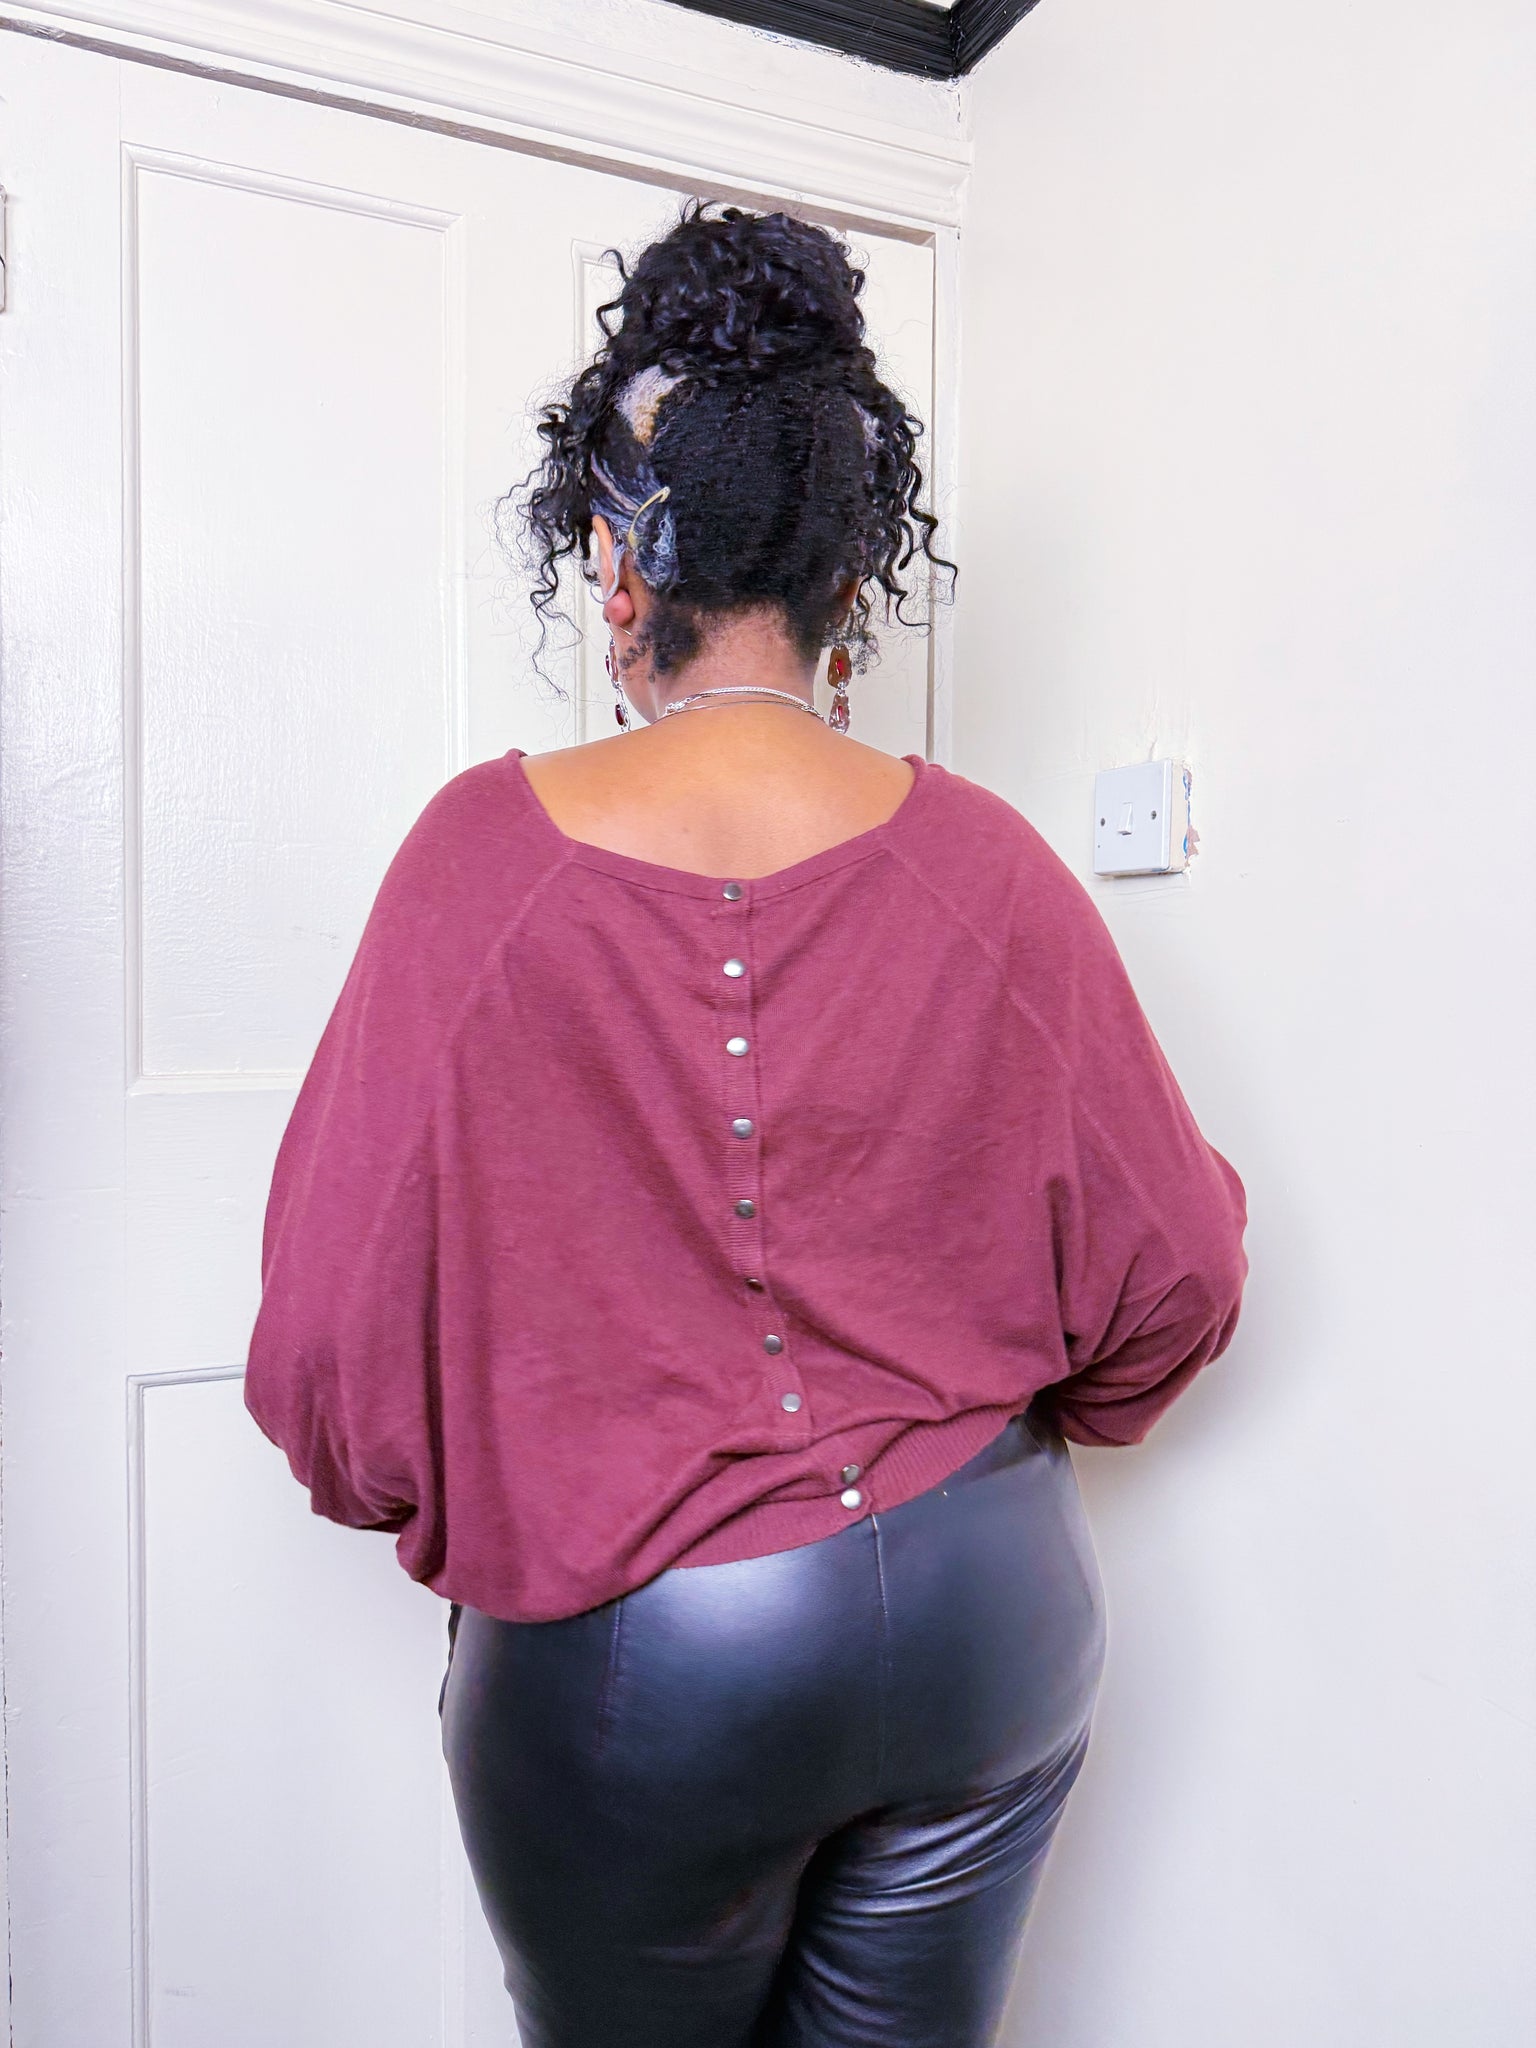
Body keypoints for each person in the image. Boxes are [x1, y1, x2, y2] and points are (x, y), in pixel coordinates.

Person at [244, 202, 1248, 2048]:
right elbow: (1179, 1270)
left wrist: (488, 1492)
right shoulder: (991, 866)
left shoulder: (479, 864)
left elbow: (321, 1360)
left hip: (646, 1670)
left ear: (621, 570)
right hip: (988, 1612)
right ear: (850, 574)